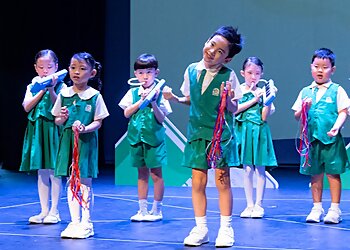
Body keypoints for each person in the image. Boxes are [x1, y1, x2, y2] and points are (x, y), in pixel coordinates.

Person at [163, 26, 243, 247]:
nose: (211, 51)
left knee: (222, 181)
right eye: (211, 44)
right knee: (198, 182)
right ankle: (201, 228)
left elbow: (234, 107)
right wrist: (175, 98)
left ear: (226, 59)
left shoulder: (229, 76)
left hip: (220, 136)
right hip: (197, 134)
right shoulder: (191, 70)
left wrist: (228, 101)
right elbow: (191, 98)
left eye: (219, 51)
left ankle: (226, 229)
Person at [51, 52, 109, 238]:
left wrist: (84, 128)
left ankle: (86, 221)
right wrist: (63, 118)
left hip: (86, 144)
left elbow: (98, 122)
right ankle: (74, 221)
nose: (76, 72)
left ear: (92, 73)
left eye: (82, 69)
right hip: (68, 142)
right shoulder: (64, 94)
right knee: (71, 181)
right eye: (73, 68)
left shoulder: (94, 96)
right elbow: (57, 120)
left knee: (84, 182)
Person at [292, 48, 350, 224]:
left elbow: (343, 111)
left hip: (331, 140)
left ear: (332, 69)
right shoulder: (305, 91)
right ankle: (316, 208)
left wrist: (336, 127)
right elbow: (296, 116)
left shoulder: (337, 90)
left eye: (324, 67)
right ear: (311, 67)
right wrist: (304, 109)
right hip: (311, 141)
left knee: (333, 174)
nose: (320, 70)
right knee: (315, 174)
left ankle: (334, 209)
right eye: (316, 66)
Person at [118, 53, 172, 222]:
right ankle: (142, 210)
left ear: (156, 72)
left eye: (149, 72)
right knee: (142, 174)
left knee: (156, 174)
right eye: (141, 72)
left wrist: (153, 102)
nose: (145, 76)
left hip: (154, 140)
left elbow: (162, 118)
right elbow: (126, 113)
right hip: (136, 139)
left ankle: (157, 210)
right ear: (135, 74)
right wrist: (140, 101)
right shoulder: (132, 93)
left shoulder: (160, 93)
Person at [20, 49, 66, 224]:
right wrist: (41, 90)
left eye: (49, 66)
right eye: (41, 67)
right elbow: (27, 107)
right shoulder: (32, 86)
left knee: (55, 171)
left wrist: (51, 89)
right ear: (36, 68)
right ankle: (43, 210)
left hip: (53, 129)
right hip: (37, 129)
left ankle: (55, 211)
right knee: (42, 171)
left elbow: (58, 107)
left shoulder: (62, 87)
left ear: (56, 67)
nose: (45, 70)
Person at [235, 57, 278, 219]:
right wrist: (253, 99)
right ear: (243, 73)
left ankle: (259, 204)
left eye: (257, 73)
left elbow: (264, 117)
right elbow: (234, 110)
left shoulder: (264, 92)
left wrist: (267, 100)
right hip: (244, 132)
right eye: (250, 72)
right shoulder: (239, 90)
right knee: (247, 169)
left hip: (259, 132)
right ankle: (249, 204)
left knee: (260, 168)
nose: (253, 76)